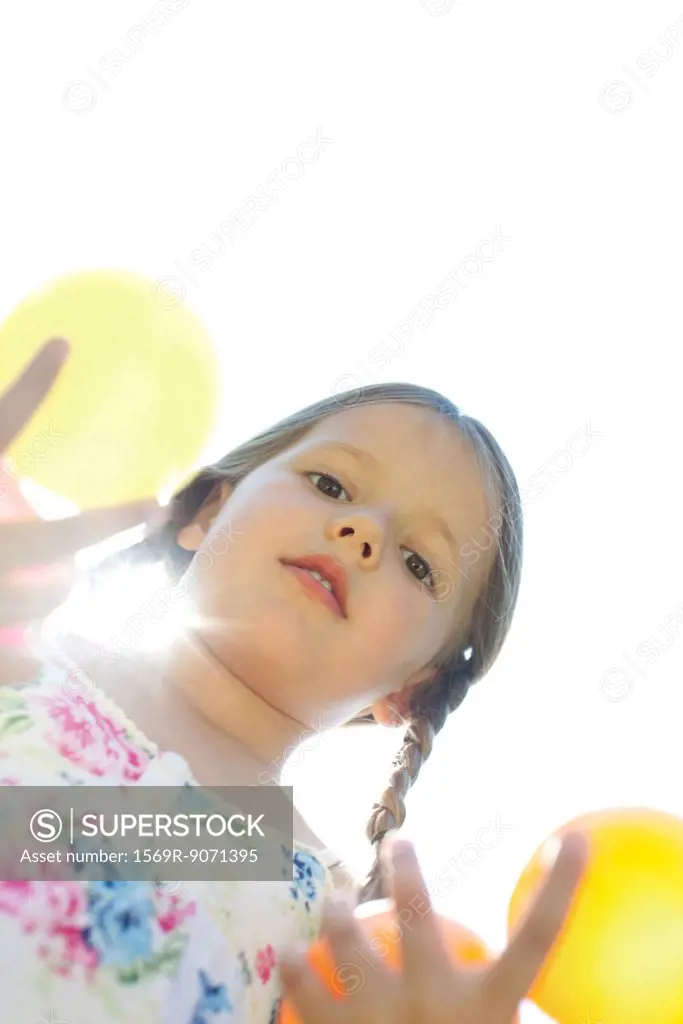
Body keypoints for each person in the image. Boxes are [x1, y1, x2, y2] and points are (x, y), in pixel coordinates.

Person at [0, 339, 587, 1023]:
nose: (361, 531)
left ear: (410, 689)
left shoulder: (335, 938)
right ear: (211, 510)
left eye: (417, 562)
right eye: (330, 485)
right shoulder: (21, 655)